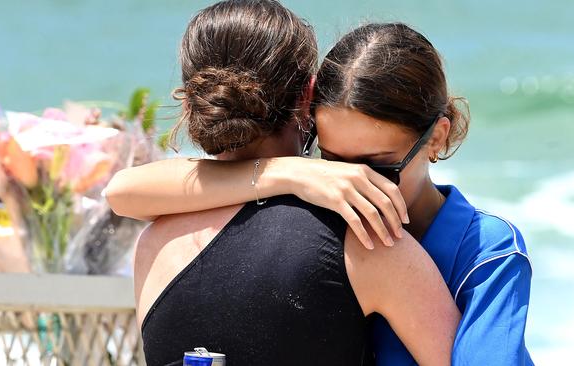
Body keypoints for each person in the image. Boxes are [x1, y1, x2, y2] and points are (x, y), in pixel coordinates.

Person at [107, 14, 534, 366]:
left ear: (436, 139)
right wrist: (291, 173)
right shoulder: (339, 226)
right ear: (309, 107)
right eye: (333, 166)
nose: (353, 185)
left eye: (376, 167)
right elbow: (123, 191)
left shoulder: (486, 252)